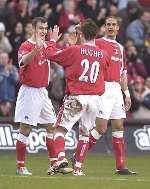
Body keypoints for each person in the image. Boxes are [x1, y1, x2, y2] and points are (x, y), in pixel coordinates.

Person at [45, 19, 110, 176]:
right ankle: (78, 169)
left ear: (80, 34)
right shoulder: (104, 54)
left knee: (60, 129)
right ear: (95, 34)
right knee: (85, 133)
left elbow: (51, 55)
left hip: (77, 96)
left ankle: (60, 158)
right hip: (95, 99)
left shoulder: (75, 50)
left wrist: (52, 40)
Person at [73, 16, 136, 175]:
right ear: (104, 27)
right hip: (102, 87)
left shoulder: (121, 48)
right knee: (101, 128)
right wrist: (79, 34)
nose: (111, 27)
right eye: (108, 24)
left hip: (116, 89)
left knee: (118, 125)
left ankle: (120, 166)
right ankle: (78, 155)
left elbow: (123, 73)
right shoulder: (98, 42)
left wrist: (127, 93)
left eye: (114, 24)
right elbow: (82, 48)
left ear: (118, 28)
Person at [14, 17, 72, 176]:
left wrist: (67, 46)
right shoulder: (26, 45)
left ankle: (54, 164)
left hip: (42, 92)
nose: (43, 31)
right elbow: (22, 63)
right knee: (25, 129)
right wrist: (36, 50)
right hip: (29, 91)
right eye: (40, 28)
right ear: (33, 28)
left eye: (45, 28)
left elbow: (60, 56)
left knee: (51, 127)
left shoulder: (47, 45)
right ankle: (20, 166)